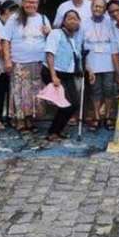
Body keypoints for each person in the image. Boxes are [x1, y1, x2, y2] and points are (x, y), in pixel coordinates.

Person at [2, 0, 51, 132]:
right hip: (19, 62)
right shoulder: (14, 19)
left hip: (38, 63)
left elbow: (51, 40)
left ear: (38, 4)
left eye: (34, 2)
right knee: (19, 92)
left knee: (34, 92)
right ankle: (20, 120)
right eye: (28, 2)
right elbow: (5, 40)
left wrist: (49, 33)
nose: (31, 5)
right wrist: (7, 60)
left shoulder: (43, 18)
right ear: (22, 3)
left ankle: (30, 119)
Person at [42, 10, 86, 142]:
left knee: (75, 103)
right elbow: (50, 54)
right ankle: (53, 132)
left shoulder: (74, 38)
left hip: (68, 74)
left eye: (75, 19)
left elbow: (77, 57)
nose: (72, 21)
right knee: (66, 104)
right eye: (69, 18)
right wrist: (53, 76)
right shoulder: (56, 34)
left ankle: (57, 130)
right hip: (55, 72)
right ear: (64, 21)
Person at [84, 0, 119, 131]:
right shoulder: (85, 23)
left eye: (100, 7)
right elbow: (82, 44)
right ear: (91, 7)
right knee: (95, 90)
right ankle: (97, 117)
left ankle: (108, 115)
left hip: (108, 62)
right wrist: (86, 67)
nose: (97, 9)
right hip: (92, 61)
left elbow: (115, 43)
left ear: (105, 9)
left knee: (109, 89)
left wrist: (117, 68)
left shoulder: (110, 22)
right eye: (95, 6)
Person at [0, 0, 18, 130]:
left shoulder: (14, 23)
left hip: (13, 60)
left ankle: (11, 117)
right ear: (7, 11)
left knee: (12, 91)